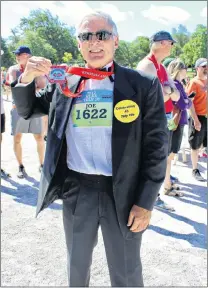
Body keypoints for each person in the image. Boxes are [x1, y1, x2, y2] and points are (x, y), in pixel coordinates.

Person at [11, 12, 168, 287]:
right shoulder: (66, 82)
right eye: (86, 36)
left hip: (123, 194)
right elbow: (27, 110)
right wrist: (26, 77)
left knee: (127, 272)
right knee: (76, 267)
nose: (94, 42)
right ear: (78, 43)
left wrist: (145, 202)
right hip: (77, 189)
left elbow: (157, 146)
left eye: (102, 35)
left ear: (116, 41)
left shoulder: (142, 84)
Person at [137, 31, 180, 211]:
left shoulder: (160, 67)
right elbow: (156, 99)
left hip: (160, 120)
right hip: (149, 122)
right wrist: (167, 91)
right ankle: (147, 200)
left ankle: (153, 198)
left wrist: (167, 90)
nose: (172, 47)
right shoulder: (147, 65)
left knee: (158, 159)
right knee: (150, 161)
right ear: (163, 43)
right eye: (171, 43)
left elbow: (176, 94)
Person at [8, 46, 46, 178]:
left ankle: (42, 164)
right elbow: (14, 85)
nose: (17, 56)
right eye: (16, 54)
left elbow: (42, 86)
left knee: (39, 138)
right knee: (17, 138)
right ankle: (21, 166)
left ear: (28, 56)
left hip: (34, 107)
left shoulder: (38, 70)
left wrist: (30, 82)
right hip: (17, 108)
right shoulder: (13, 69)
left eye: (20, 54)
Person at [165, 59, 192, 195]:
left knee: (171, 154)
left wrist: (187, 101)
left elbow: (185, 102)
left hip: (177, 121)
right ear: (179, 69)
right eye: (185, 68)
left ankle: (167, 180)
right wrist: (188, 101)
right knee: (170, 154)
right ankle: (167, 184)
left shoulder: (176, 84)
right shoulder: (176, 84)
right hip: (176, 122)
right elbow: (183, 104)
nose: (186, 70)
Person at [186, 58, 207, 181]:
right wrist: (196, 120)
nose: (206, 68)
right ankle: (195, 169)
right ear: (197, 68)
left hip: (206, 116)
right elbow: (189, 102)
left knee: (204, 145)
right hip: (198, 117)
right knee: (195, 145)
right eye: (203, 66)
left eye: (207, 66)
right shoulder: (194, 83)